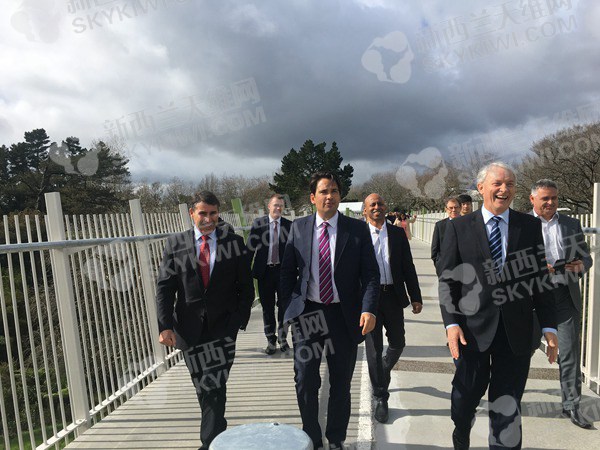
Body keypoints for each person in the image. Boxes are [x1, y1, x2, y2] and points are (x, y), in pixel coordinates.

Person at [437, 162, 558, 450]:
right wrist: (451, 324)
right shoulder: (458, 227)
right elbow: (448, 281)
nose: (504, 189)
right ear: (481, 188)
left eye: (510, 184)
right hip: (471, 331)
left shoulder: (528, 226)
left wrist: (549, 326)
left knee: (507, 406)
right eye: (498, 183)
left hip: (516, 333)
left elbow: (540, 279)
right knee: (465, 397)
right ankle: (461, 428)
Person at [280, 172, 380, 450]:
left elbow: (370, 275)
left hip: (343, 316)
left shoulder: (356, 230)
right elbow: (287, 273)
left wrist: (369, 309)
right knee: (305, 379)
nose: (330, 196)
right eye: (324, 191)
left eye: (334, 191)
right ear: (313, 197)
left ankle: (336, 438)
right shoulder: (298, 228)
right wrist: (288, 311)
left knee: (340, 382)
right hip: (308, 314)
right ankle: (311, 437)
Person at [156, 191, 254, 450]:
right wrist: (165, 326)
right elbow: (165, 287)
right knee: (203, 387)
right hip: (189, 328)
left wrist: (238, 321)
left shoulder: (234, 243)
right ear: (192, 214)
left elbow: (246, 287)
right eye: (203, 213)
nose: (209, 219)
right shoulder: (176, 244)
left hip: (223, 328)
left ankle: (209, 442)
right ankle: (218, 431)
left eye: (213, 213)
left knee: (213, 383)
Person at [529, 179, 593, 429]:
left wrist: (581, 265)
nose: (550, 202)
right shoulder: (520, 224)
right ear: (533, 199)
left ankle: (572, 406)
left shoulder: (570, 224)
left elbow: (585, 255)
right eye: (545, 198)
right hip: (531, 297)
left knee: (569, 354)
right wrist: (535, 268)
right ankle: (507, 400)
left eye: (554, 198)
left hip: (564, 295)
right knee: (520, 352)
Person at [362, 193, 423, 423]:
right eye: (372, 204)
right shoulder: (359, 235)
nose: (377, 207)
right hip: (369, 300)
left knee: (398, 343)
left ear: (386, 207)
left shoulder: (397, 234)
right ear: (365, 211)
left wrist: (415, 296)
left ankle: (382, 371)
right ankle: (380, 396)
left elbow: (408, 266)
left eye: (380, 203)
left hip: (393, 297)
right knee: (374, 349)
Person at [247, 194, 292, 354]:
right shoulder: (258, 224)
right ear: (269, 206)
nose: (278, 208)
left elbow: (294, 251)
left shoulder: (289, 225)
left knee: (284, 307)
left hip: (283, 273)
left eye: (281, 205)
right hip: (264, 273)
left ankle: (283, 338)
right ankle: (270, 340)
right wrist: (244, 271)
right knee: (267, 308)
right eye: (275, 205)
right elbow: (250, 249)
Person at [431, 197, 460, 273]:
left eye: (456, 207)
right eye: (451, 208)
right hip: (445, 270)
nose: (453, 210)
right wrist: (439, 265)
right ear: (446, 209)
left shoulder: (468, 224)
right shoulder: (440, 225)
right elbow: (435, 248)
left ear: (460, 208)